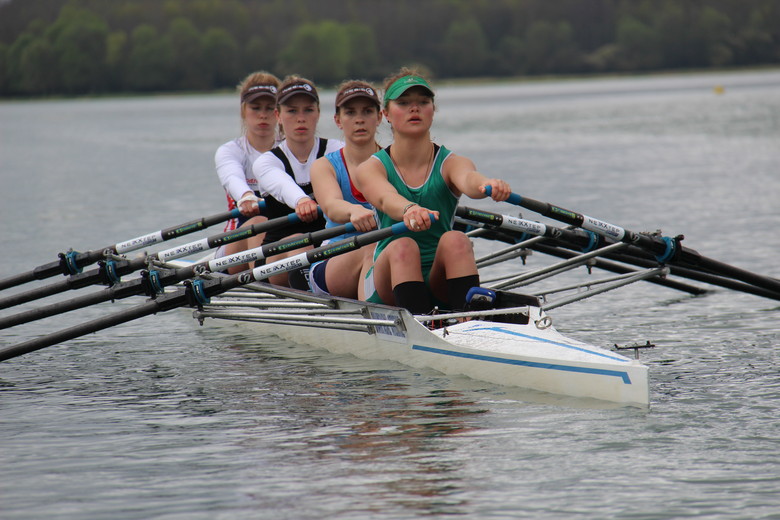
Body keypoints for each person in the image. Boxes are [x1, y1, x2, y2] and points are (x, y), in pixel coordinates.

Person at [354, 68, 511, 315]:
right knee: (403, 245)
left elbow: (469, 179)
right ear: (386, 114)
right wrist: (409, 209)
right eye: (404, 103)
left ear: (432, 111)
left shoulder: (451, 162)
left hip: (440, 277)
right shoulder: (370, 168)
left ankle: (468, 321)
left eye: (423, 102)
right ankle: (420, 327)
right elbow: (385, 198)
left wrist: (488, 185)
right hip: (389, 279)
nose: (414, 109)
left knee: (457, 239)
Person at [251, 75, 344, 288]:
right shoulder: (266, 162)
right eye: (292, 111)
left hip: (330, 245)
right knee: (300, 245)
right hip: (277, 254)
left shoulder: (337, 150)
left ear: (318, 114)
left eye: (308, 110)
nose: (300, 118)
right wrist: (302, 201)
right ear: (278, 116)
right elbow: (283, 184)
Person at [309, 80, 383, 299]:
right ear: (338, 120)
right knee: (372, 248)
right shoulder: (325, 165)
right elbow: (331, 206)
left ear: (379, 117)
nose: (359, 119)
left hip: (388, 253)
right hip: (334, 258)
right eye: (350, 112)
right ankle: (373, 323)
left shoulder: (395, 161)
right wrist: (353, 211)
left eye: (367, 111)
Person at [214, 71, 281, 274]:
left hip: (279, 239)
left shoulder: (290, 150)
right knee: (259, 222)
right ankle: (267, 283)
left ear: (279, 112)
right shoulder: (231, 151)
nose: (263, 115)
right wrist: (245, 196)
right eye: (255, 108)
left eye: (270, 108)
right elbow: (232, 177)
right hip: (233, 244)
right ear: (244, 111)